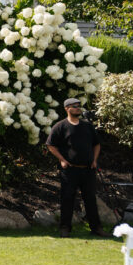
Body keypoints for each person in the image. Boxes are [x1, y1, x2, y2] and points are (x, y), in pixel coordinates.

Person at [46, 97, 107, 238]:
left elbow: (96, 144)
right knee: (67, 199)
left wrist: (94, 160)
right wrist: (62, 160)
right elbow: (50, 145)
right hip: (70, 170)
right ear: (67, 108)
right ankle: (65, 228)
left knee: (90, 199)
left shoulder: (87, 126)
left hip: (88, 169)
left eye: (79, 106)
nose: (78, 108)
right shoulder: (60, 126)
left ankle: (96, 228)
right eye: (74, 106)